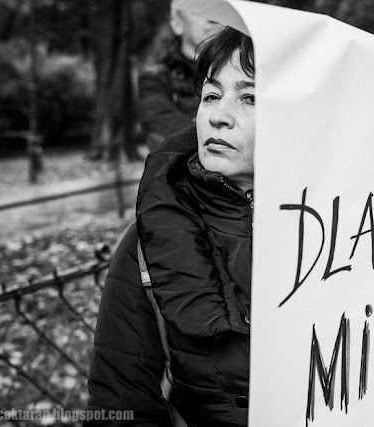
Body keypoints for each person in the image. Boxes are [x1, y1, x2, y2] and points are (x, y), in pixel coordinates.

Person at [87, 27, 254, 426]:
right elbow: (120, 408)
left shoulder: (360, 231)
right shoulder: (151, 240)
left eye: (249, 98)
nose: (217, 115)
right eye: (211, 95)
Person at [137, 1, 221, 151]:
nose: (213, 17)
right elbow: (161, 128)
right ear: (177, 22)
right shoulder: (156, 78)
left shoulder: (250, 72)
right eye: (201, 7)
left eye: (220, 7)